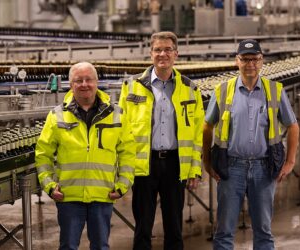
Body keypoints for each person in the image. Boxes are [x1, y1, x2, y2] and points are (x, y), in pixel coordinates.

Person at [202, 39, 299, 250]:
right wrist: (207, 162)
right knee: (224, 231)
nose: (250, 64)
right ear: (237, 61)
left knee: (263, 231)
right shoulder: (222, 90)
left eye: (254, 59)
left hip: (263, 169)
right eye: (245, 59)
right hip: (231, 168)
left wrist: (290, 161)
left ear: (262, 60)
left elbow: (293, 126)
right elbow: (207, 127)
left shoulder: (274, 90)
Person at [35, 62, 135, 250]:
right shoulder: (56, 116)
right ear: (70, 85)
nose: (84, 84)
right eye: (78, 80)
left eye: (88, 79)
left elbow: (128, 153)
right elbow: (43, 154)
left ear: (97, 82)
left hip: (102, 195)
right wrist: (48, 185)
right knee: (68, 246)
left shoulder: (116, 115)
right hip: (68, 197)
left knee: (100, 246)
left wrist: (123, 184)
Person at [118, 31, 205, 250]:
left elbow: (196, 134)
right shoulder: (131, 87)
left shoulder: (190, 89)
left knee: (175, 227)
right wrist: (122, 169)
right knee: (142, 227)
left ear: (176, 54)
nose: (162, 54)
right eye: (157, 50)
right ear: (150, 54)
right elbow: (120, 130)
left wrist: (194, 169)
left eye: (167, 50)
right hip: (143, 164)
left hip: (175, 164)